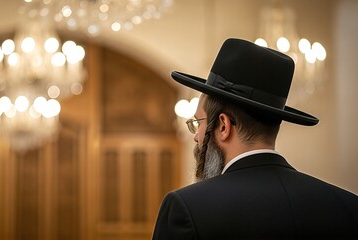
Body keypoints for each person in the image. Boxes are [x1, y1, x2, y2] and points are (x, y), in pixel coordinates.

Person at [152, 38, 358, 239]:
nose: (196, 137)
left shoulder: (187, 208)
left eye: (199, 123)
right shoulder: (348, 207)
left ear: (224, 126)